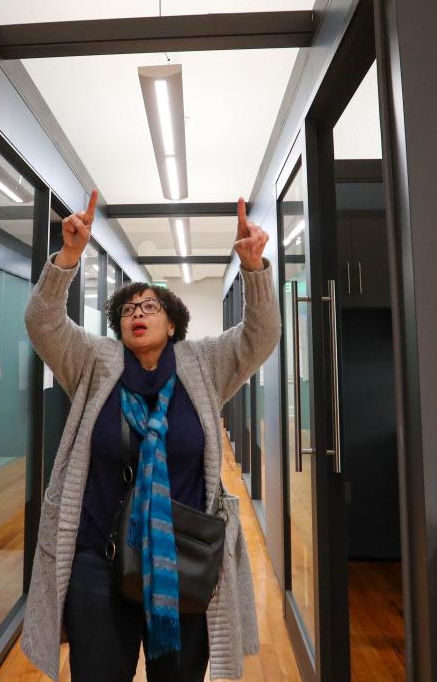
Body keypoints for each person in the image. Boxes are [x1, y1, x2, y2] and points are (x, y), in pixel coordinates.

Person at [21, 190, 278, 681]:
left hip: (181, 557)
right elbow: (43, 323)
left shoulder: (204, 364)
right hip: (98, 557)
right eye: (128, 309)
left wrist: (254, 269)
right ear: (119, 326)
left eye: (150, 306)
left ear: (172, 322)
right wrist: (67, 259)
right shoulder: (95, 363)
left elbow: (259, 336)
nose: (137, 313)